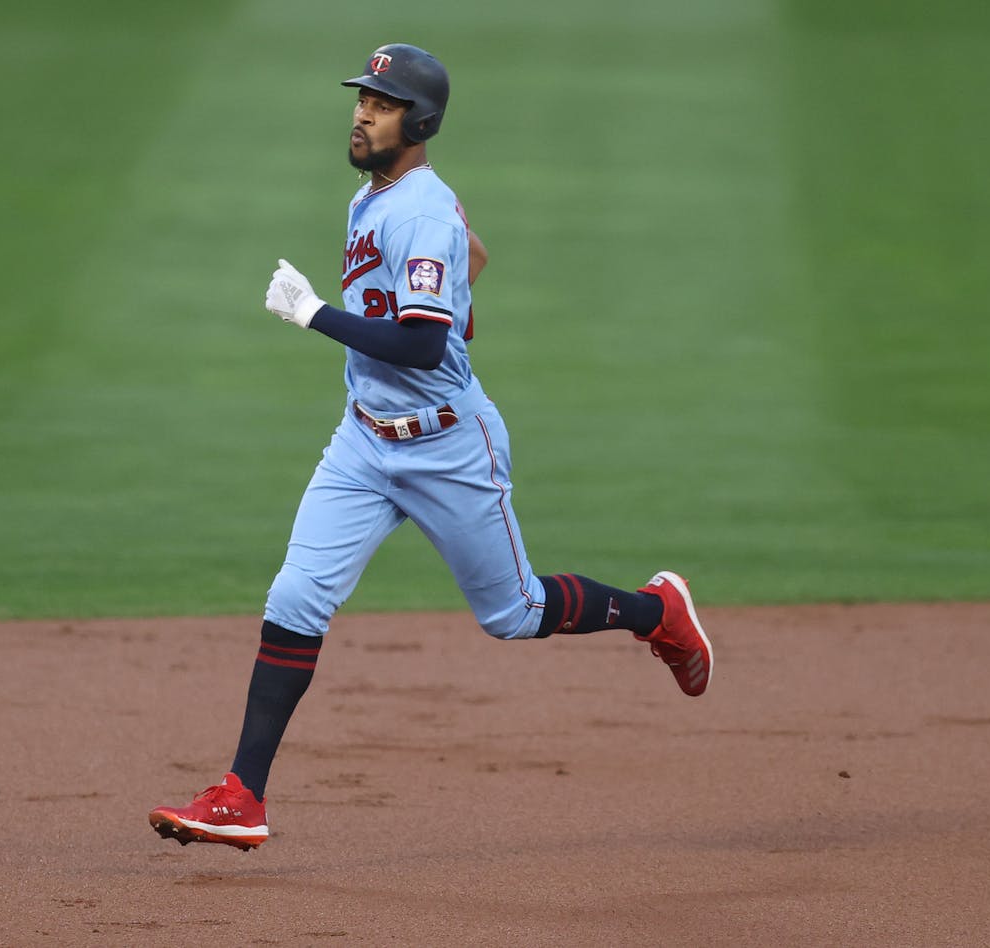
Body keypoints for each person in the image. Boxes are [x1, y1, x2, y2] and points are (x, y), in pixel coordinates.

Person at [148, 43, 712, 851]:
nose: (361, 112)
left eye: (381, 103)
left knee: (512, 614)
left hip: (449, 446)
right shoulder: (380, 196)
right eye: (362, 98)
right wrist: (454, 269)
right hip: (362, 441)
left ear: (422, 120)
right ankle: (242, 796)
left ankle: (658, 612)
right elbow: (467, 256)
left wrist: (313, 313)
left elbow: (417, 345)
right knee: (296, 596)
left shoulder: (416, 208)